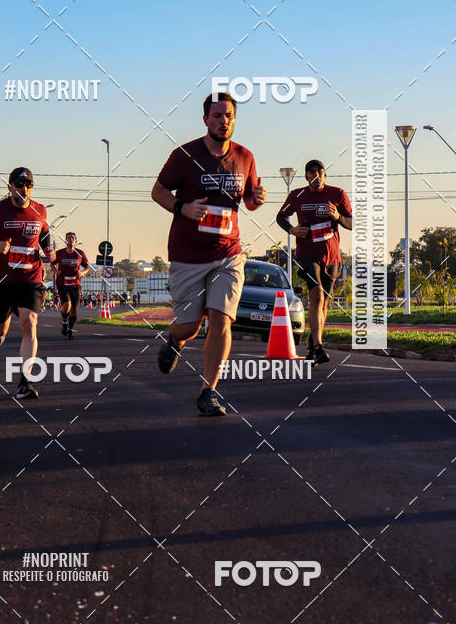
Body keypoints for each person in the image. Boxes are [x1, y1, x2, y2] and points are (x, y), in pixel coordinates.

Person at [151, 92, 266, 416]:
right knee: (189, 326)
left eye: (228, 115)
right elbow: (157, 190)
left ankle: (209, 391)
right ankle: (175, 340)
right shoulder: (185, 155)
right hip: (188, 255)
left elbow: (250, 201)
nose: (223, 120)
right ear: (205, 119)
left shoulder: (245, 157)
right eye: (216, 115)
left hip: (228, 254)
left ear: (234, 118)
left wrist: (258, 196)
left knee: (221, 319)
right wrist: (182, 207)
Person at [0, 167, 55, 399]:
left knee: (30, 322)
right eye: (19, 185)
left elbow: (44, 232)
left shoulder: (40, 210)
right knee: (0, 330)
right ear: (10, 188)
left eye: (28, 184)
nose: (24, 189)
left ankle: (25, 382)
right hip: (0, 281)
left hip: (30, 277)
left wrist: (48, 249)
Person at [276, 159, 352, 364]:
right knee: (316, 293)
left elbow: (353, 223)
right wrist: (291, 229)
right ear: (307, 176)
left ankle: (313, 341)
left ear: (325, 175)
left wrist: (338, 217)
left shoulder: (337, 194)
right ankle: (318, 347)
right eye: (311, 172)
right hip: (307, 253)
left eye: (319, 172)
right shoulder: (297, 195)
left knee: (324, 301)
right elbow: (281, 216)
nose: (316, 175)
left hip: (332, 256)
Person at [53, 232, 90, 340]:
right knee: (67, 305)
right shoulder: (59, 253)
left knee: (74, 309)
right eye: (68, 238)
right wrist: (56, 271)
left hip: (75, 285)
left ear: (76, 241)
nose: (70, 239)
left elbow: (87, 267)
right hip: (62, 283)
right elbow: (52, 262)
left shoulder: (80, 253)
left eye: (72, 238)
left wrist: (82, 273)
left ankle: (70, 329)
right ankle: (64, 323)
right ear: (65, 240)